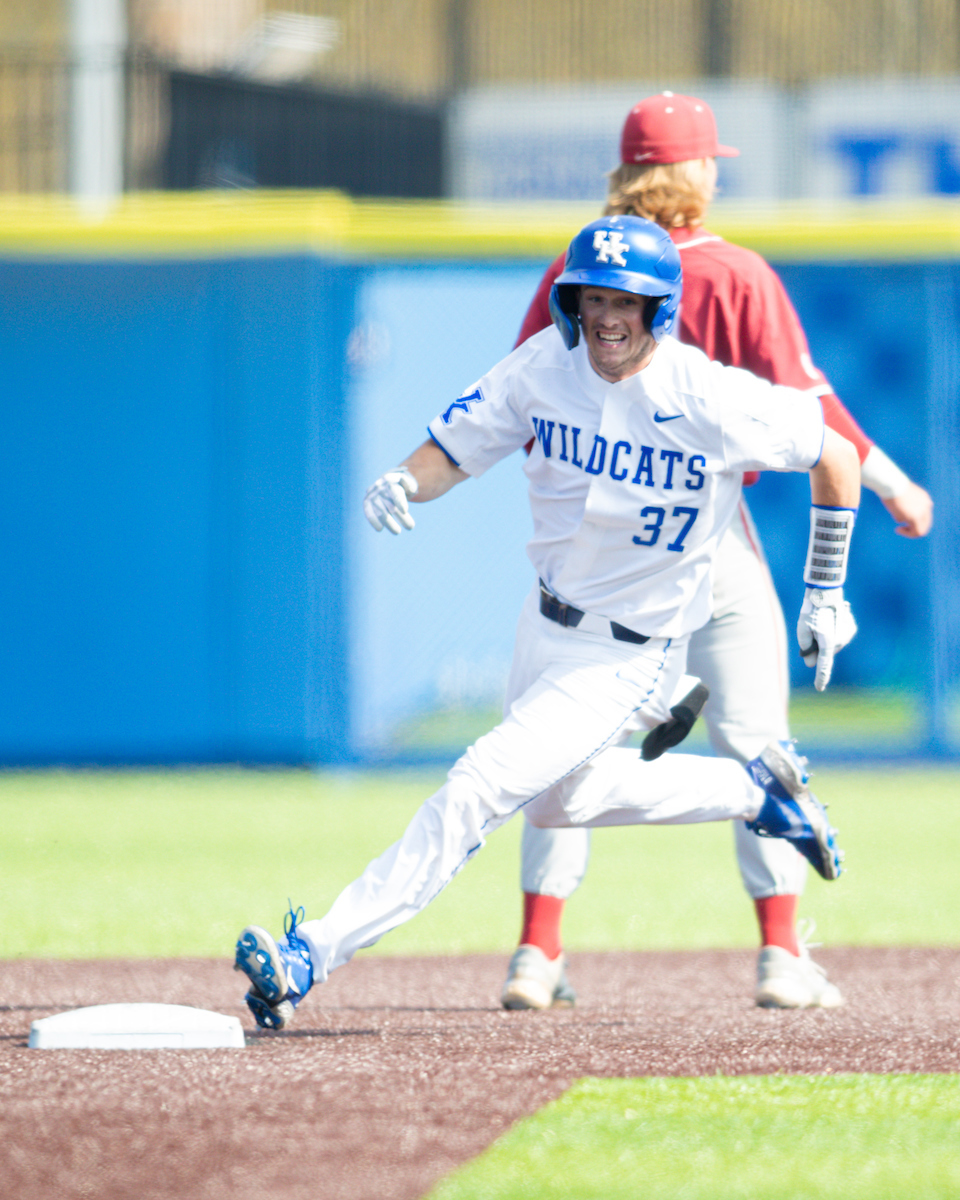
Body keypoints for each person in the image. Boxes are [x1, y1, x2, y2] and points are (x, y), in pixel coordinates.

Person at [234, 214, 861, 1032]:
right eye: (593, 296)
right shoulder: (544, 367)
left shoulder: (706, 393)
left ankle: (312, 951)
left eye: (627, 301)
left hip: (632, 654)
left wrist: (823, 591)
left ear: (659, 309)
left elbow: (836, 455)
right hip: (548, 624)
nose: (607, 315)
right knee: (564, 803)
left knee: (475, 790)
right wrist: (404, 481)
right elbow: (452, 449)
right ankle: (754, 790)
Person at [498, 92, 934, 1014]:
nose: (718, 175)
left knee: (562, 748)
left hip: (593, 557)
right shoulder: (735, 273)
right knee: (758, 741)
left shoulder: (569, 274)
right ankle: (781, 955)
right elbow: (816, 414)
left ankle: (537, 955)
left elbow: (519, 402)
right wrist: (893, 485)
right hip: (707, 544)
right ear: (687, 172)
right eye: (711, 161)